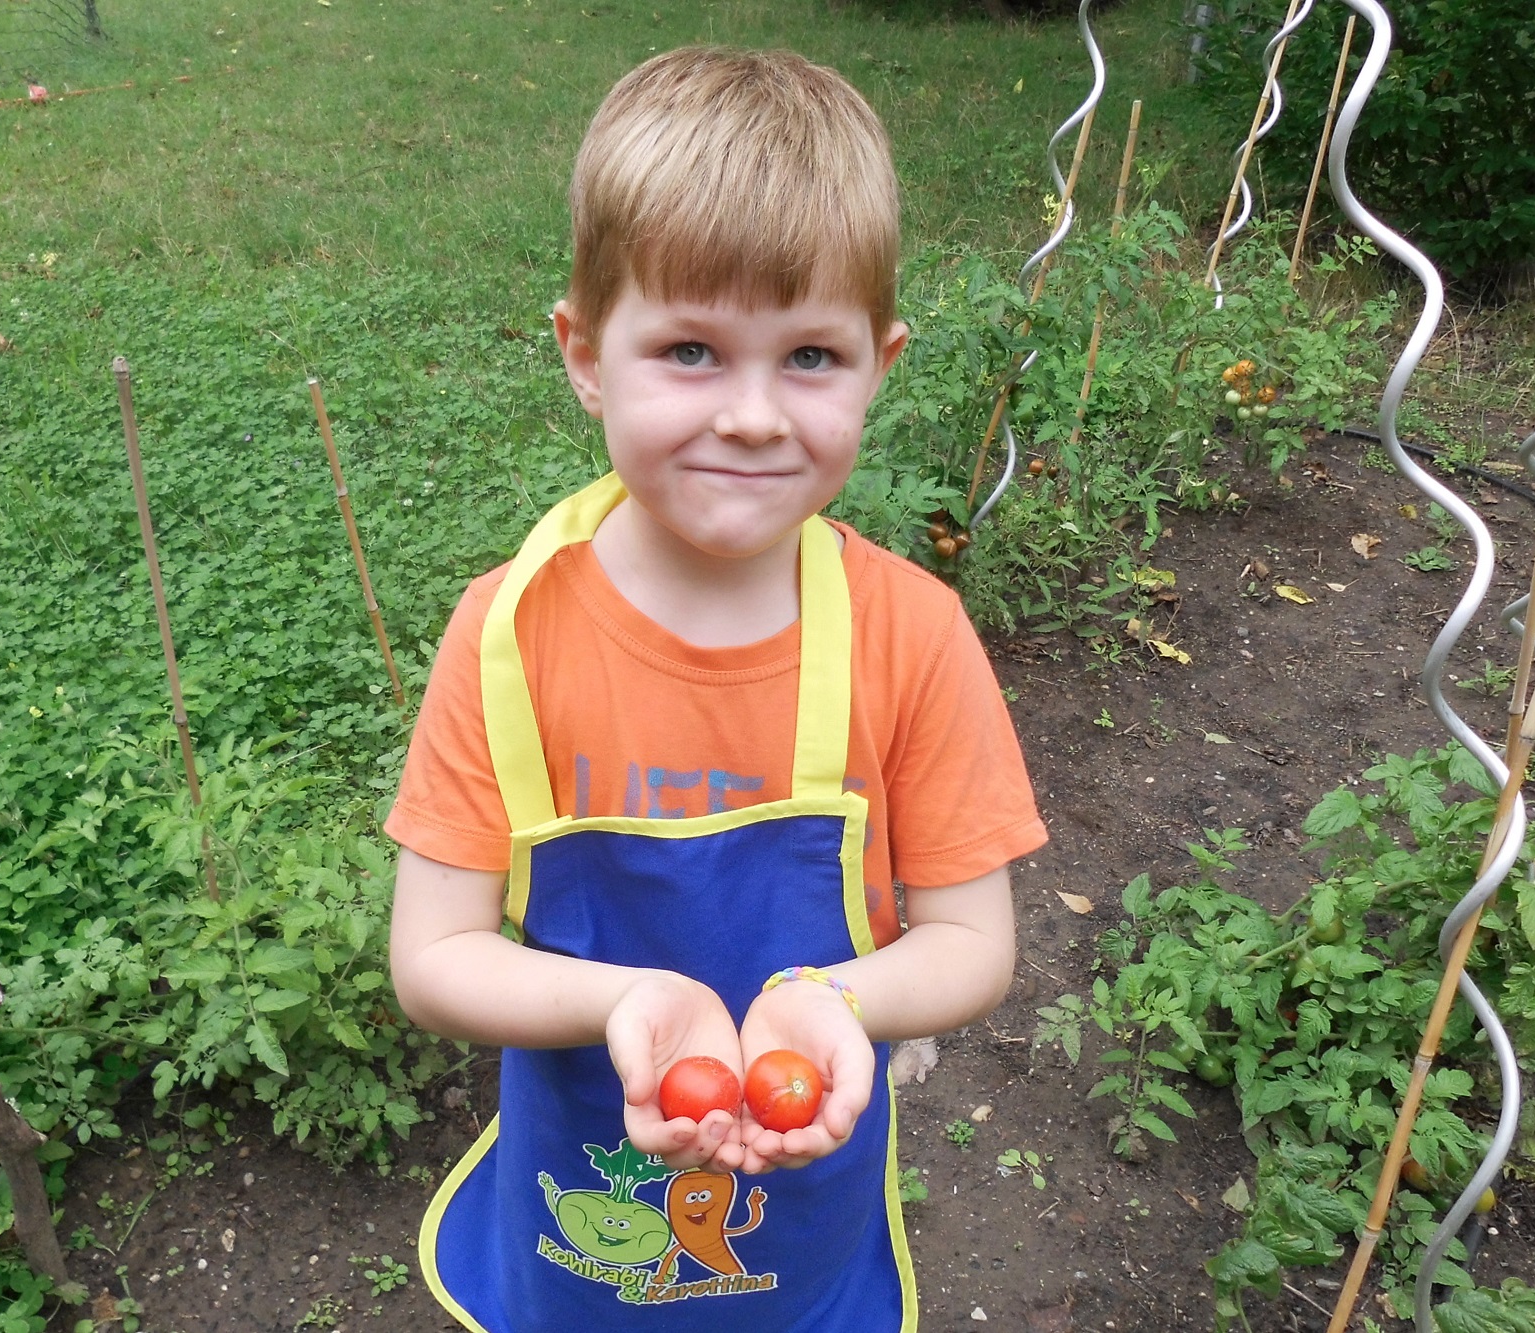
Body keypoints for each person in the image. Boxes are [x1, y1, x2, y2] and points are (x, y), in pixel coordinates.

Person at [384, 45, 1047, 1332]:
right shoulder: (509, 636)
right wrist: (631, 1001)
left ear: (880, 363)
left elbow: (974, 941)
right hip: (579, 1212)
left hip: (807, 1211)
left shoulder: (911, 636)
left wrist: (828, 1001)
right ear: (583, 351)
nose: (751, 414)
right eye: (690, 349)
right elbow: (434, 956)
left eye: (809, 357)